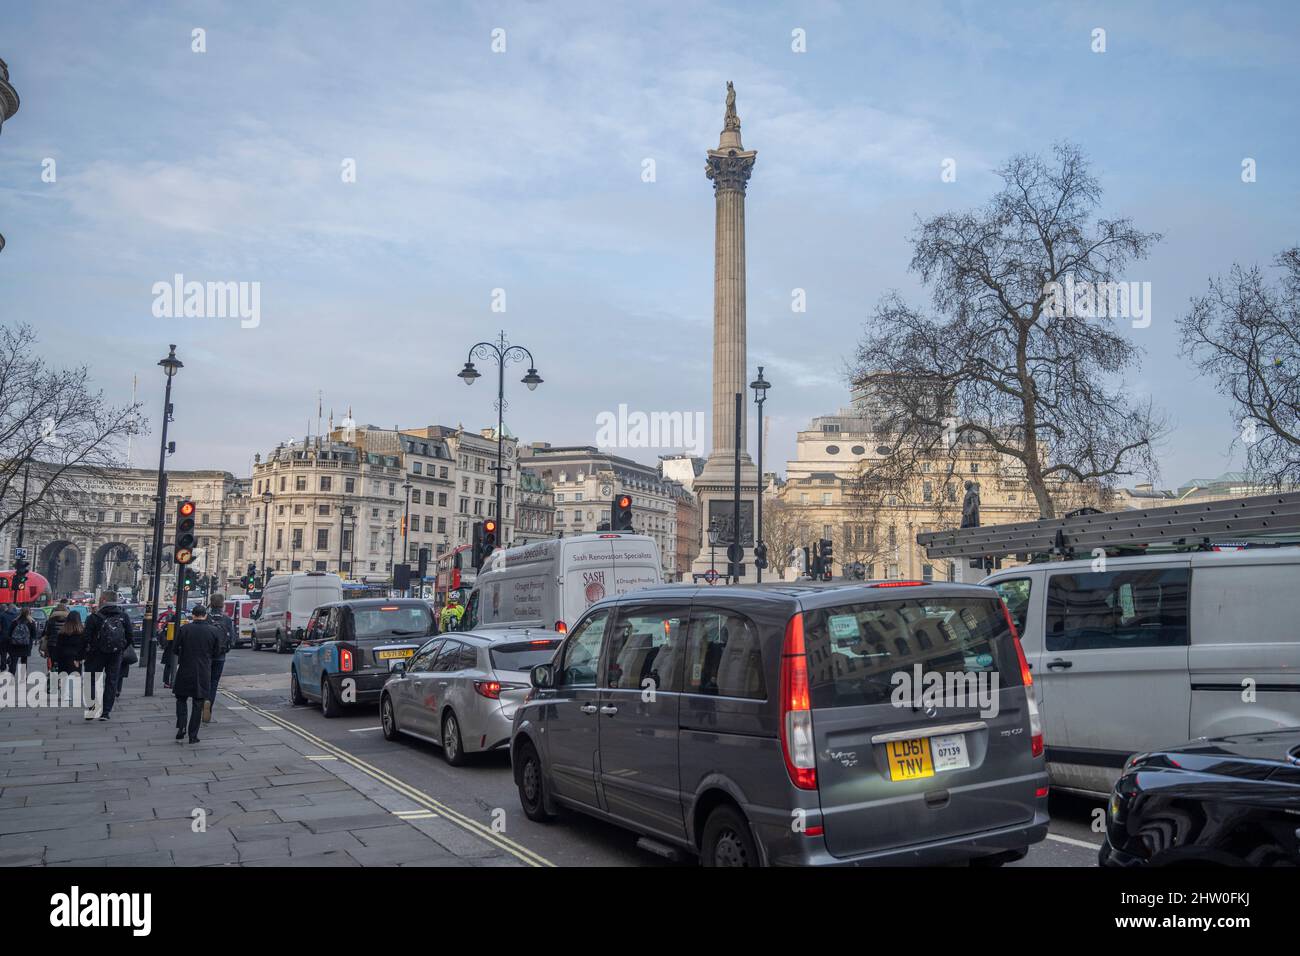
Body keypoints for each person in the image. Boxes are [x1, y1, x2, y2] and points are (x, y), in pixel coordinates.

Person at [172, 604, 221, 744]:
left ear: (193, 615)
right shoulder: (213, 631)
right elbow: (217, 652)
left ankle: (181, 727)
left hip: (185, 669)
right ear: (205, 615)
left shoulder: (184, 629)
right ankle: (193, 735)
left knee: (181, 699)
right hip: (203, 671)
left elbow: (175, 649)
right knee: (198, 703)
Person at [83, 592, 135, 721]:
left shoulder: (93, 617)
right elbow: (130, 636)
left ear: (103, 600)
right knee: (111, 681)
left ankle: (91, 709)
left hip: (96, 653)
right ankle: (106, 712)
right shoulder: (123, 616)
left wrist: (85, 652)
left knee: (92, 680)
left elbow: (86, 638)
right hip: (116, 654)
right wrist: (120, 648)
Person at [203, 594, 237, 722]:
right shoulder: (227, 620)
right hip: (220, 656)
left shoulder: (206, 618)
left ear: (211, 603)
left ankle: (203, 701)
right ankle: (209, 706)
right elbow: (232, 640)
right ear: (222, 604)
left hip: (206, 656)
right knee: (214, 683)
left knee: (204, 681)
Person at [51, 614, 87, 707]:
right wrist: (80, 658)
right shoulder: (81, 633)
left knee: (64, 675)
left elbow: (58, 647)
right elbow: (83, 647)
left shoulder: (62, 632)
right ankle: (71, 693)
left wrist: (55, 659)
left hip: (63, 656)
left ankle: (65, 693)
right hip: (75, 657)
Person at [5, 608, 36, 676]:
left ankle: (11, 677)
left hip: (14, 645)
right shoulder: (31, 622)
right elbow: (34, 635)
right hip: (26, 645)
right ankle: (22, 678)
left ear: (20, 612)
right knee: (24, 662)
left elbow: (9, 634)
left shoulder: (14, 622)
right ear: (29, 613)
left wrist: (11, 641)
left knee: (13, 662)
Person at [0, 602, 17, 673]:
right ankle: (11, 669)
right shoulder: (16, 616)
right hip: (13, 637)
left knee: (3, 653)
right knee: (13, 653)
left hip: (3, 637)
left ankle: (3, 668)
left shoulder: (2, 615)